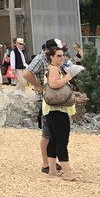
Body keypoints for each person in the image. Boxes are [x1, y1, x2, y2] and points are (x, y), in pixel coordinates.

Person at [23, 38, 63, 174]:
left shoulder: (50, 60)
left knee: (52, 133)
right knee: (47, 133)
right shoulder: (40, 59)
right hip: (44, 100)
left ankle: (51, 161)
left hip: (52, 100)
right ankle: (46, 164)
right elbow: (26, 73)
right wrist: (38, 86)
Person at [43, 47, 77, 180]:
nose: (62, 58)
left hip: (52, 109)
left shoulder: (53, 68)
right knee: (62, 140)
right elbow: (53, 84)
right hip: (58, 109)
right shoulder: (54, 69)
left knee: (54, 139)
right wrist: (68, 77)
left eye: (62, 55)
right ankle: (67, 172)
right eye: (58, 56)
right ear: (51, 57)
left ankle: (52, 170)